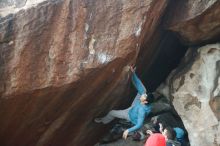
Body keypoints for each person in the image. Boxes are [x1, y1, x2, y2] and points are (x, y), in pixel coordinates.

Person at [94, 66, 153, 139]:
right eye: (145, 95)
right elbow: (139, 85)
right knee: (143, 90)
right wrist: (133, 74)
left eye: (144, 96)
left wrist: (128, 130)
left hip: (129, 115)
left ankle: (103, 120)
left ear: (145, 101)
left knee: (112, 112)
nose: (143, 95)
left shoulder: (142, 111)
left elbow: (139, 124)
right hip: (135, 107)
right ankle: (132, 77)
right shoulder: (144, 100)